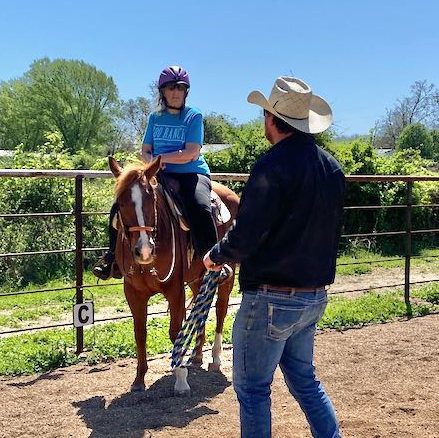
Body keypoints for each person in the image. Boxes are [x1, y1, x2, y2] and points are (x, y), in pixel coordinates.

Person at [203, 77, 345, 438]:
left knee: (253, 390)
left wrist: (217, 255)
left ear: (271, 117)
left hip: (271, 298)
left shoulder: (271, 166)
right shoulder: (332, 169)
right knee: (304, 380)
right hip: (314, 295)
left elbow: (247, 233)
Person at [93, 65, 216, 280]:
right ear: (163, 92)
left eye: (180, 88)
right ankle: (112, 257)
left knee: (200, 206)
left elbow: (192, 153)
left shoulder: (193, 116)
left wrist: (160, 160)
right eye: (170, 88)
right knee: (119, 206)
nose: (176, 92)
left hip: (191, 173)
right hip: (157, 174)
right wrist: (150, 163)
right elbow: (145, 149)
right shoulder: (155, 117)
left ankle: (213, 259)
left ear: (186, 92)